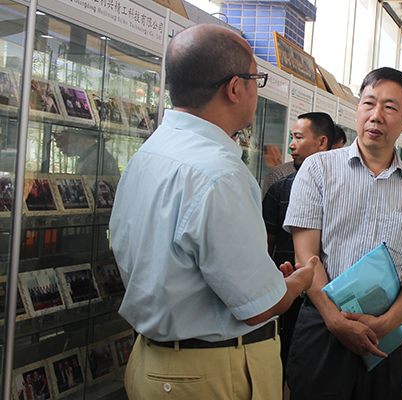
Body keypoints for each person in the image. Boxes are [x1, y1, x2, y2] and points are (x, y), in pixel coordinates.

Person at [108, 24, 314, 400]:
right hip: (209, 375)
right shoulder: (220, 173)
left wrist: (268, 282)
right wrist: (298, 283)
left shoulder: (149, 153)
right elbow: (258, 308)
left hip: (154, 364)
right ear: (234, 88)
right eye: (257, 80)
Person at [283, 67, 402, 400]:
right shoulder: (318, 170)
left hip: (387, 333)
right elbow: (306, 255)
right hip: (323, 324)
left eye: (389, 107)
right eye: (369, 103)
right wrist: (335, 320)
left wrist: (386, 324)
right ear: (357, 109)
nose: (376, 115)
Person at [262, 111, 335, 379]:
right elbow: (266, 246)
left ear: (322, 142)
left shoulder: (340, 187)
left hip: (329, 292)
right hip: (286, 290)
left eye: (298, 137)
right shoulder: (279, 188)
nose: (291, 145)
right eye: (292, 137)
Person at [52, 129, 121, 176]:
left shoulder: (99, 159)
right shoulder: (90, 157)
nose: (58, 145)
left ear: (79, 137)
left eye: (59, 139)